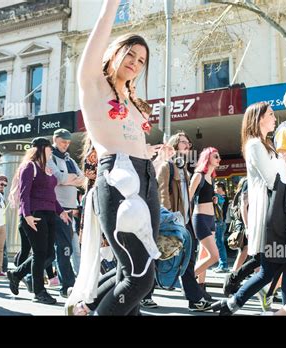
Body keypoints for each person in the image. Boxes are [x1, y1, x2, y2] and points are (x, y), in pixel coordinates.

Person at [75, 0, 165, 315]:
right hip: (118, 178)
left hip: (146, 178)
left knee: (132, 274)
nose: (135, 62)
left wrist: (156, 154)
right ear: (114, 52)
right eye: (130, 54)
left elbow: (135, 143)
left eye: (141, 60)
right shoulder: (93, 84)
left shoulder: (129, 99)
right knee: (140, 279)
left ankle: (87, 308)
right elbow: (101, 30)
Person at [213, 102, 286, 315]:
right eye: (270, 114)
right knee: (272, 269)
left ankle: (235, 303)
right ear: (259, 118)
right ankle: (232, 302)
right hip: (272, 213)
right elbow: (272, 179)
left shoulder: (265, 144)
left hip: (281, 211)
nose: (275, 118)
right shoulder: (254, 145)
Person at [152, 131, 214, 311]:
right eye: (183, 143)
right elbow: (163, 195)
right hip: (174, 221)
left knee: (188, 260)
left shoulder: (184, 169)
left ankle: (195, 300)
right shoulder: (166, 166)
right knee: (158, 258)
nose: (188, 146)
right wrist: (170, 221)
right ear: (174, 145)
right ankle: (145, 294)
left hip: (186, 221)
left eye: (188, 143)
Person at [6, 137, 71, 305]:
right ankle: (39, 292)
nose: (51, 152)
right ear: (42, 149)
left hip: (50, 214)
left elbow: (51, 194)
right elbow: (24, 194)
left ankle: (17, 274)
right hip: (35, 214)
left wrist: (61, 211)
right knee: (41, 254)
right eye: (50, 149)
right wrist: (26, 215)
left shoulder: (47, 168)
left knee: (48, 254)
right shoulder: (29, 167)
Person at [48, 128, 85, 297]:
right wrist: (71, 179)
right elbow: (58, 178)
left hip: (70, 209)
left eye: (68, 142)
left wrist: (68, 179)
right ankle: (67, 285)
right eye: (63, 142)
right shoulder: (50, 156)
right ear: (55, 139)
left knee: (58, 249)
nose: (66, 145)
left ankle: (24, 273)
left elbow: (83, 178)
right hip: (58, 208)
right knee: (64, 248)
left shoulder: (69, 159)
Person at [190, 147, 221, 298]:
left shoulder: (211, 178)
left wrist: (212, 199)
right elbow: (187, 197)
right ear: (207, 157)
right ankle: (189, 280)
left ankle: (200, 287)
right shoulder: (198, 175)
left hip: (211, 219)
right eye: (216, 156)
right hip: (200, 218)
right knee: (214, 256)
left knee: (204, 254)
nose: (219, 159)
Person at [213, 181, 229, 273]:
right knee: (219, 244)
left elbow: (220, 203)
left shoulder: (222, 198)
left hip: (219, 223)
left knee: (219, 244)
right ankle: (221, 264)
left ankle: (223, 265)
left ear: (220, 188)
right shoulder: (223, 197)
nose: (215, 190)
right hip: (221, 223)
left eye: (216, 188)